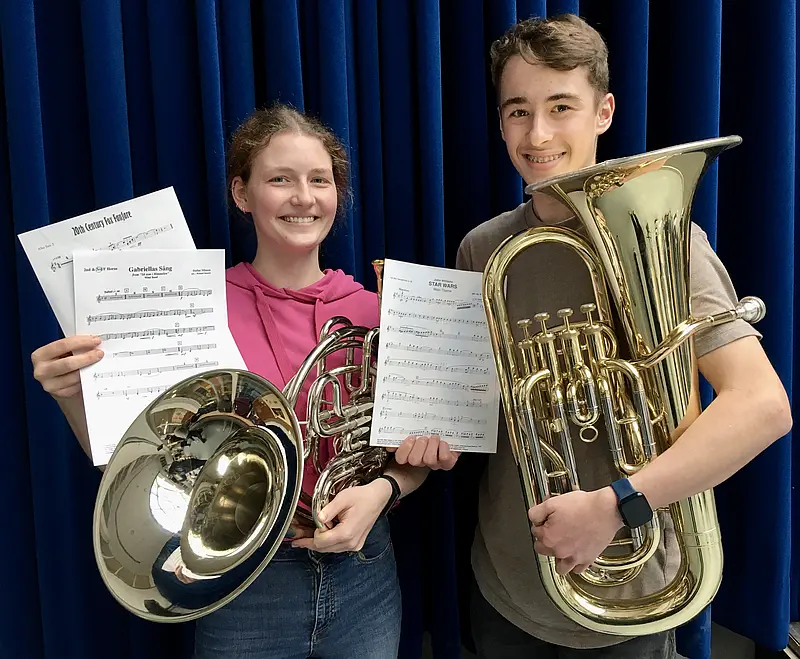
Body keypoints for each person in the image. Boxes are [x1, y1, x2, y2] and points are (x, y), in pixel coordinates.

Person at [30, 103, 459, 659]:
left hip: (365, 572)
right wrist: (72, 396)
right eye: (280, 179)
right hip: (244, 578)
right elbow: (128, 456)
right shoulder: (190, 304)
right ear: (241, 193)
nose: (303, 197)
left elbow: (408, 459)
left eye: (319, 180)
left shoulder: (378, 310)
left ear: (337, 195)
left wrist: (385, 489)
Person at [454, 14, 792, 659]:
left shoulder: (667, 243)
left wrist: (618, 504)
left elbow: (762, 407)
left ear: (603, 111)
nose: (538, 134)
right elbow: (481, 411)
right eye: (517, 111)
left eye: (562, 107)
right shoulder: (483, 248)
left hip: (630, 595)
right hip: (505, 589)